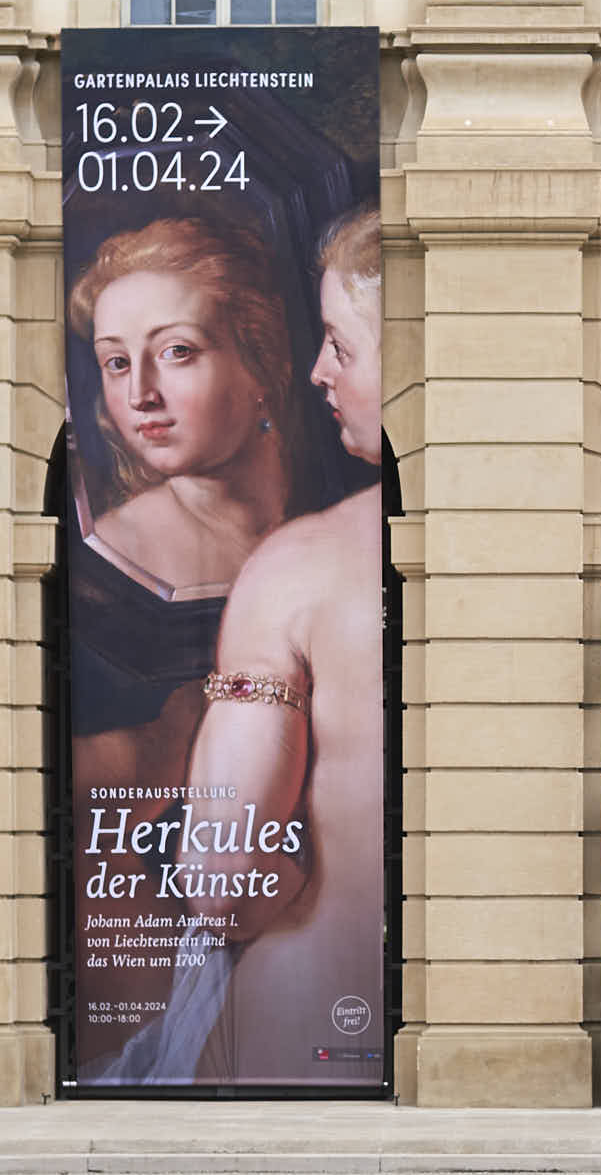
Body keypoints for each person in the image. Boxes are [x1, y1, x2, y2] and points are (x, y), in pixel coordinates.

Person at [94, 206, 386, 1083]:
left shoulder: (298, 567)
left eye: (343, 344)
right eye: (115, 362)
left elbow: (221, 881)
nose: (318, 369)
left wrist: (301, 871)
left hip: (303, 1045)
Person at [65, 216, 309, 1075]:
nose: (140, 396)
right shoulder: (105, 576)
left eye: (175, 352)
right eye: (116, 361)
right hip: (157, 988)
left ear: (260, 361)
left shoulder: (327, 522)